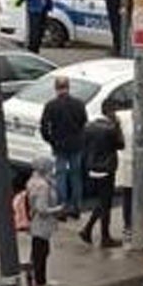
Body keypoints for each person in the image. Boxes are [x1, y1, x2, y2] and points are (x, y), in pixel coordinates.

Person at [40, 77, 88, 218]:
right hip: (76, 144)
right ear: (68, 87)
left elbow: (44, 126)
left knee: (60, 175)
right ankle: (76, 207)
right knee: (76, 176)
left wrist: (50, 140)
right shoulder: (79, 104)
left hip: (59, 145)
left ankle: (61, 208)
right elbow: (83, 122)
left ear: (56, 88)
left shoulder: (51, 105)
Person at [81, 103, 125, 248]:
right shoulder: (111, 129)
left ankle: (88, 229)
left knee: (102, 201)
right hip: (106, 168)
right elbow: (121, 144)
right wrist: (118, 126)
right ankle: (104, 236)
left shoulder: (89, 127)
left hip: (92, 166)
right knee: (105, 203)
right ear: (111, 112)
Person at [27, 157, 62, 286]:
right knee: (40, 254)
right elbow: (42, 209)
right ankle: (39, 283)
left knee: (39, 252)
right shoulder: (43, 186)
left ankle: (40, 281)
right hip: (41, 225)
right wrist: (58, 209)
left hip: (36, 224)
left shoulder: (33, 182)